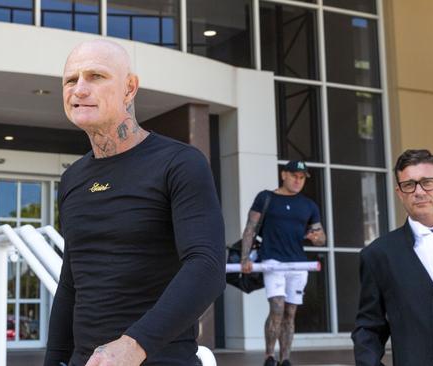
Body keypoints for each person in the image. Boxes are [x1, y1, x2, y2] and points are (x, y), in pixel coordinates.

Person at [44, 39, 225, 366]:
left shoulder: (180, 163)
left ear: (129, 88)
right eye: (70, 80)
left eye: (96, 76)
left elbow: (207, 266)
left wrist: (133, 345)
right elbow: (71, 283)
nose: (79, 89)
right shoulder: (72, 179)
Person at [352, 149, 433, 366]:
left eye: (427, 182)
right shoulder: (378, 254)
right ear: (400, 194)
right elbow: (369, 328)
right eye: (409, 185)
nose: (418, 192)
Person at [240, 160, 326, 366]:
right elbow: (250, 229)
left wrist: (317, 238)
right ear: (284, 175)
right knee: (277, 308)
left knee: (290, 313)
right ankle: (269, 356)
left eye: (302, 177)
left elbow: (322, 237)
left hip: (297, 264)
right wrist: (244, 258)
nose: (298, 180)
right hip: (272, 261)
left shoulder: (308, 205)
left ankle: (285, 359)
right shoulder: (266, 198)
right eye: (295, 175)